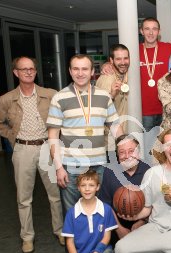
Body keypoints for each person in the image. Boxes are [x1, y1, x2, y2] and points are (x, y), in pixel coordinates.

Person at [0, 56, 64, 253]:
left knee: (55, 195)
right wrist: (12, 136)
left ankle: (60, 231)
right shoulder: (6, 99)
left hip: (48, 148)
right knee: (24, 198)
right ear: (16, 73)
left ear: (36, 71)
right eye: (24, 69)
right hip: (23, 150)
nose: (29, 72)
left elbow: (62, 118)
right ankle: (27, 237)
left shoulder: (50, 94)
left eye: (31, 69)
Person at [47, 54, 122, 214]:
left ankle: (97, 239)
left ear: (92, 71)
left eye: (84, 69)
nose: (80, 73)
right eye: (76, 69)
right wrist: (59, 167)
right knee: (73, 211)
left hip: (98, 164)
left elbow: (115, 127)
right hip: (71, 165)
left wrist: (125, 149)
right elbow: (53, 136)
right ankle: (73, 239)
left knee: (98, 210)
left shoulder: (104, 96)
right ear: (70, 71)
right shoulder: (59, 98)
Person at [101, 17, 171, 132]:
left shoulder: (169, 48)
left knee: (165, 147)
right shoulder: (134, 50)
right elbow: (120, 62)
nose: (150, 32)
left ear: (159, 31)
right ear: (141, 31)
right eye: (147, 29)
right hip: (143, 111)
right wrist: (106, 64)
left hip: (166, 109)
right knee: (146, 146)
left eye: (154, 29)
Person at [62, 170, 121, 253]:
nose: (87, 189)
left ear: (97, 187)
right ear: (78, 188)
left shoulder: (105, 209)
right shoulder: (72, 213)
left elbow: (106, 237)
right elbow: (69, 243)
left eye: (91, 185)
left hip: (101, 252)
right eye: (83, 185)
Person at [98, 134, 150, 244]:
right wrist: (119, 228)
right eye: (122, 152)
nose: (127, 156)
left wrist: (142, 221)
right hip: (116, 223)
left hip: (146, 223)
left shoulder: (149, 171)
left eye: (131, 151)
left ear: (138, 153)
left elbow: (155, 204)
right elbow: (105, 205)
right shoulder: (110, 172)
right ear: (117, 155)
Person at [96, 44, 130, 120]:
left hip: (124, 128)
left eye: (125, 58)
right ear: (111, 60)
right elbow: (99, 110)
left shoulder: (126, 73)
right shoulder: (107, 78)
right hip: (112, 130)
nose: (123, 62)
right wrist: (112, 95)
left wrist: (105, 64)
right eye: (118, 59)